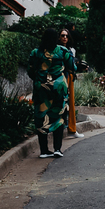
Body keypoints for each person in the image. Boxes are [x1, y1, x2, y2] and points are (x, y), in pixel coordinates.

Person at [27, 27, 75, 158]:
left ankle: (43, 150)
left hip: (41, 89)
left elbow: (30, 71)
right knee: (59, 116)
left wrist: (40, 80)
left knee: (41, 115)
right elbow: (72, 67)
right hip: (59, 88)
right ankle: (57, 149)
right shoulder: (63, 51)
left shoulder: (36, 52)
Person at [60, 28, 86, 139]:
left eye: (66, 36)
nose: (65, 38)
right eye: (62, 35)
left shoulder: (71, 50)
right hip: (61, 78)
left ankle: (71, 128)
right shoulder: (58, 50)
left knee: (70, 103)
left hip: (68, 77)